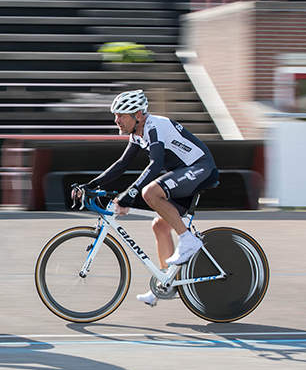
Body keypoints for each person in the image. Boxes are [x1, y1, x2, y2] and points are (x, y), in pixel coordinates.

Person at [72, 89, 218, 307]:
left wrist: (130, 193)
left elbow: (156, 165)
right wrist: (91, 185)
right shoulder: (137, 134)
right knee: (160, 226)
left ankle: (189, 241)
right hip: (184, 174)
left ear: (138, 115)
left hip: (200, 168)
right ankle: (165, 284)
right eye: (116, 115)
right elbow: (122, 165)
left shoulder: (154, 126)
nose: (117, 120)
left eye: (122, 115)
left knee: (150, 192)